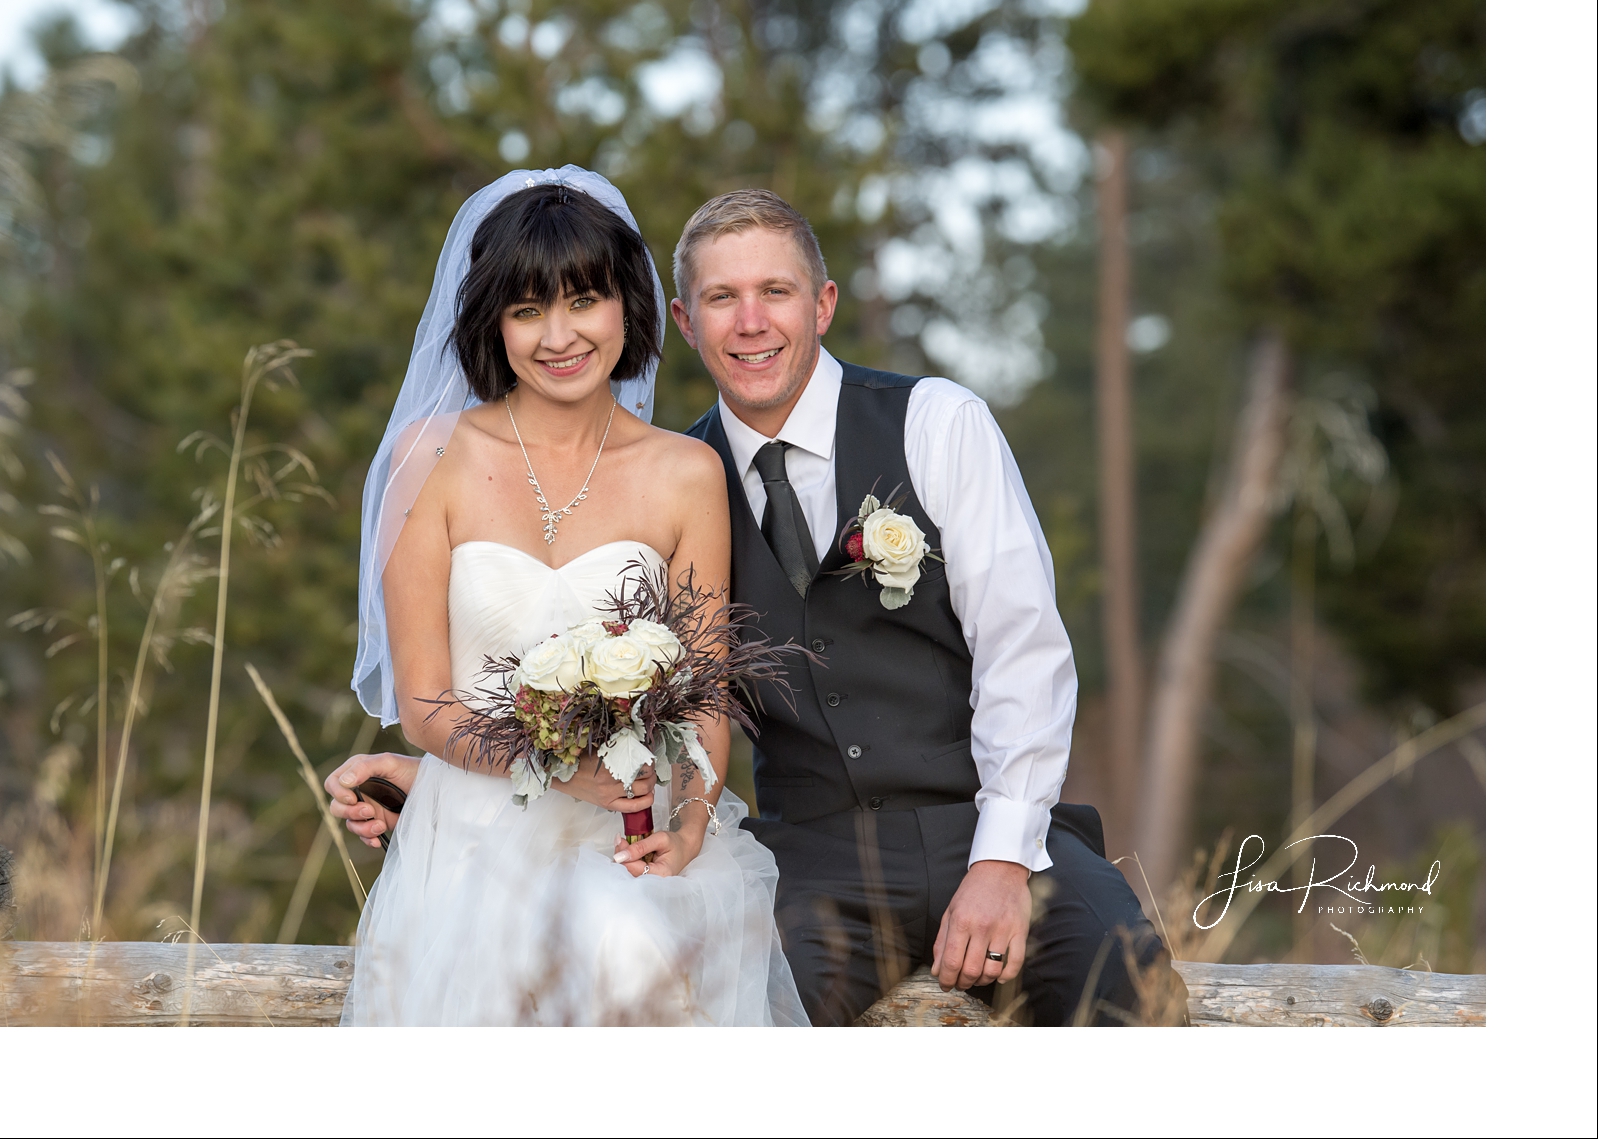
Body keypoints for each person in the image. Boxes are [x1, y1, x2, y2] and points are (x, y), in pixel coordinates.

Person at [671, 189, 1172, 1026]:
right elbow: (655, 706)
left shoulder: (938, 422)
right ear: (687, 322)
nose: (751, 321)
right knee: (733, 1020)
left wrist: (1004, 862)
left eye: (777, 291)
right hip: (806, 858)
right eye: (723, 298)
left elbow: (1024, 646)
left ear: (823, 304)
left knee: (1129, 989)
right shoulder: (678, 479)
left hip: (980, 819)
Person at [323, 167, 806, 1026]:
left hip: (630, 836)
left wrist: (689, 825)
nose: (559, 336)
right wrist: (560, 769)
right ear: (490, 323)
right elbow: (429, 702)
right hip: (473, 835)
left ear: (628, 304)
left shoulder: (686, 472)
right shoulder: (425, 457)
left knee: (624, 947)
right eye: (526, 310)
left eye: (583, 300)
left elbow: (705, 695)